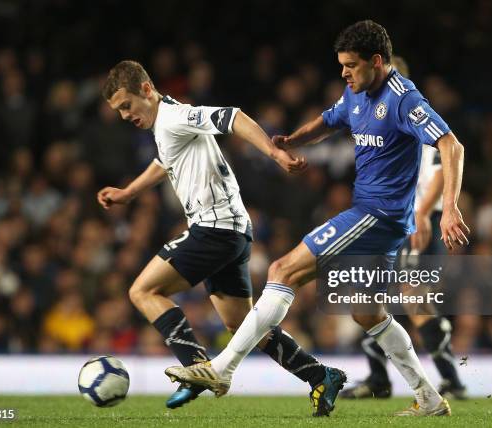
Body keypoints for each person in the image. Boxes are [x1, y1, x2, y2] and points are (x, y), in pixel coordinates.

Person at [166, 20, 470, 417]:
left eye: (351, 65)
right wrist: (293, 140)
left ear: (376, 61)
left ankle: (223, 369)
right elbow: (330, 120)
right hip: (382, 221)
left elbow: (452, 145)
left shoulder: (403, 99)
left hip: (376, 215)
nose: (343, 73)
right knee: (367, 312)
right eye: (341, 65)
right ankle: (429, 398)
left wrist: (449, 206)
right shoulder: (355, 91)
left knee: (282, 269)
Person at [98, 60, 346, 415]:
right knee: (245, 326)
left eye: (126, 105)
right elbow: (163, 160)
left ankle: (197, 367)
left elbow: (233, 117)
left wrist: (274, 152)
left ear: (147, 91)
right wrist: (129, 193)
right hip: (231, 230)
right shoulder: (168, 122)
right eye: (118, 110)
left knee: (143, 290)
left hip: (214, 228)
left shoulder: (174, 117)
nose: (124, 115)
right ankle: (321, 376)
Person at [340, 56, 467, 401]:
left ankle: (450, 380)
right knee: (369, 295)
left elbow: (441, 164)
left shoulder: (413, 114)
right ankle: (380, 378)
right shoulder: (377, 119)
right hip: (393, 224)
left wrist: (424, 213)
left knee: (413, 300)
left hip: (414, 227)